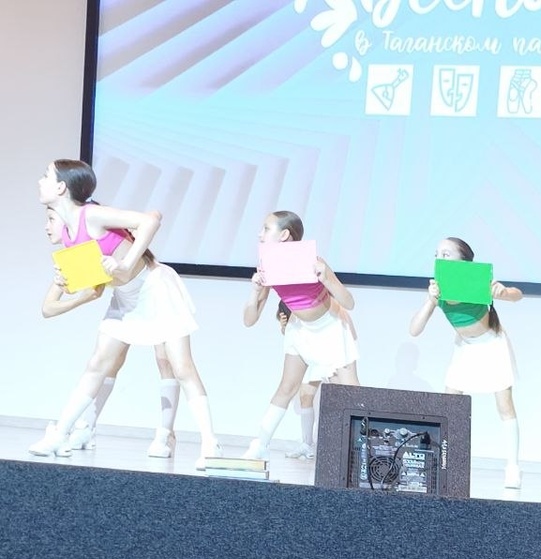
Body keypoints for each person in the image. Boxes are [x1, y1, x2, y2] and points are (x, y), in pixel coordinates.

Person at [32, 159, 219, 469]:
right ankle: (62, 432)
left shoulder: (91, 215)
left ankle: (210, 442)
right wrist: (74, 283)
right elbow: (92, 289)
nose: (40, 181)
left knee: (180, 365)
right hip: (125, 296)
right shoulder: (67, 234)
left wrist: (126, 262)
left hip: (155, 287)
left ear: (62, 187)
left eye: (46, 176)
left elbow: (150, 221)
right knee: (97, 363)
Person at [39, 207, 181, 457]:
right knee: (106, 362)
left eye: (51, 219)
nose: (47, 226)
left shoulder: (98, 228)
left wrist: (129, 253)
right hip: (125, 299)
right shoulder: (73, 253)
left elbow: (153, 216)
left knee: (165, 360)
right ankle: (84, 427)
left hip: (153, 289)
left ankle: (165, 435)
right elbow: (48, 308)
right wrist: (82, 297)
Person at [242, 211, 359, 460]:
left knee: (352, 393)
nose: (260, 234)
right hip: (300, 329)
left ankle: (363, 451)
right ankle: (260, 444)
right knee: (287, 386)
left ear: (284, 235)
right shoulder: (267, 267)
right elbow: (249, 320)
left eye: (266, 229)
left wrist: (327, 279)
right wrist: (255, 290)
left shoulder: (314, 261)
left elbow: (349, 302)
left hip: (330, 327)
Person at [409, 237, 523, 489]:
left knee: (504, 405)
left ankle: (513, 467)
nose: (440, 258)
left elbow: (518, 295)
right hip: (465, 347)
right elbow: (414, 329)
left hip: (492, 345)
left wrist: (502, 292)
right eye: (437, 254)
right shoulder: (438, 290)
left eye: (447, 254)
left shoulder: (477, 281)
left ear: (463, 261)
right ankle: (447, 463)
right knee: (450, 404)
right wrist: (430, 300)